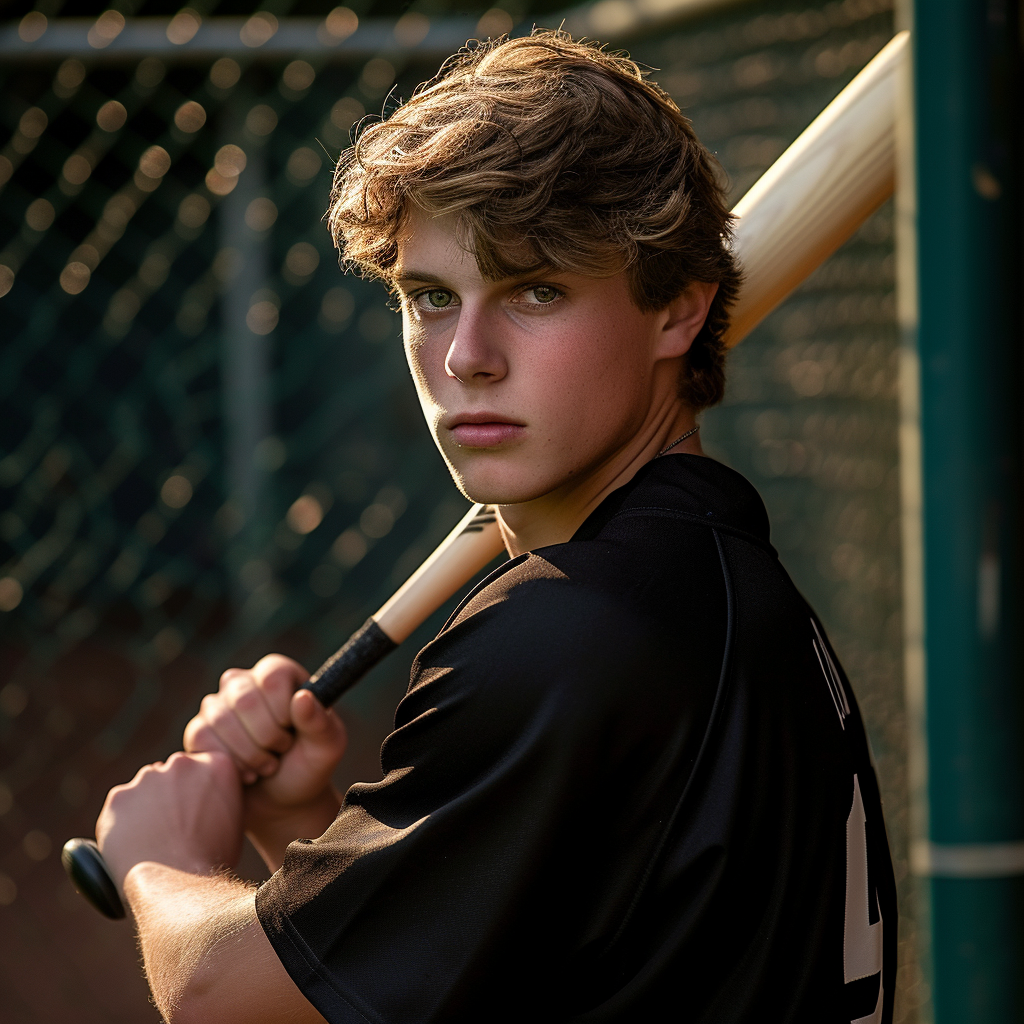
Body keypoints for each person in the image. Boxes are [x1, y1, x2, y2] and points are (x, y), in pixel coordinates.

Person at [94, 30, 897, 1024]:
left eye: (536, 290)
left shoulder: (572, 628)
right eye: (430, 298)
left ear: (678, 313)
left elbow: (223, 999)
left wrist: (161, 861)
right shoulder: (717, 583)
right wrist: (308, 826)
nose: (466, 355)